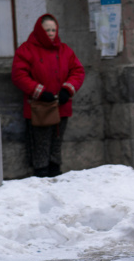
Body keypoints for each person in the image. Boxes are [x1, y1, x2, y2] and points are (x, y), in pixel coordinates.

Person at [11, 14, 85, 177]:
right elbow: (19, 75)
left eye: (53, 30)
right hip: (39, 107)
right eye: (47, 30)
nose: (51, 33)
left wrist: (67, 89)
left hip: (60, 105)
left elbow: (78, 71)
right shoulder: (26, 49)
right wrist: (39, 91)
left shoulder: (65, 50)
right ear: (39, 30)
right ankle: (41, 173)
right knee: (40, 142)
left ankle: (55, 172)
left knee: (57, 141)